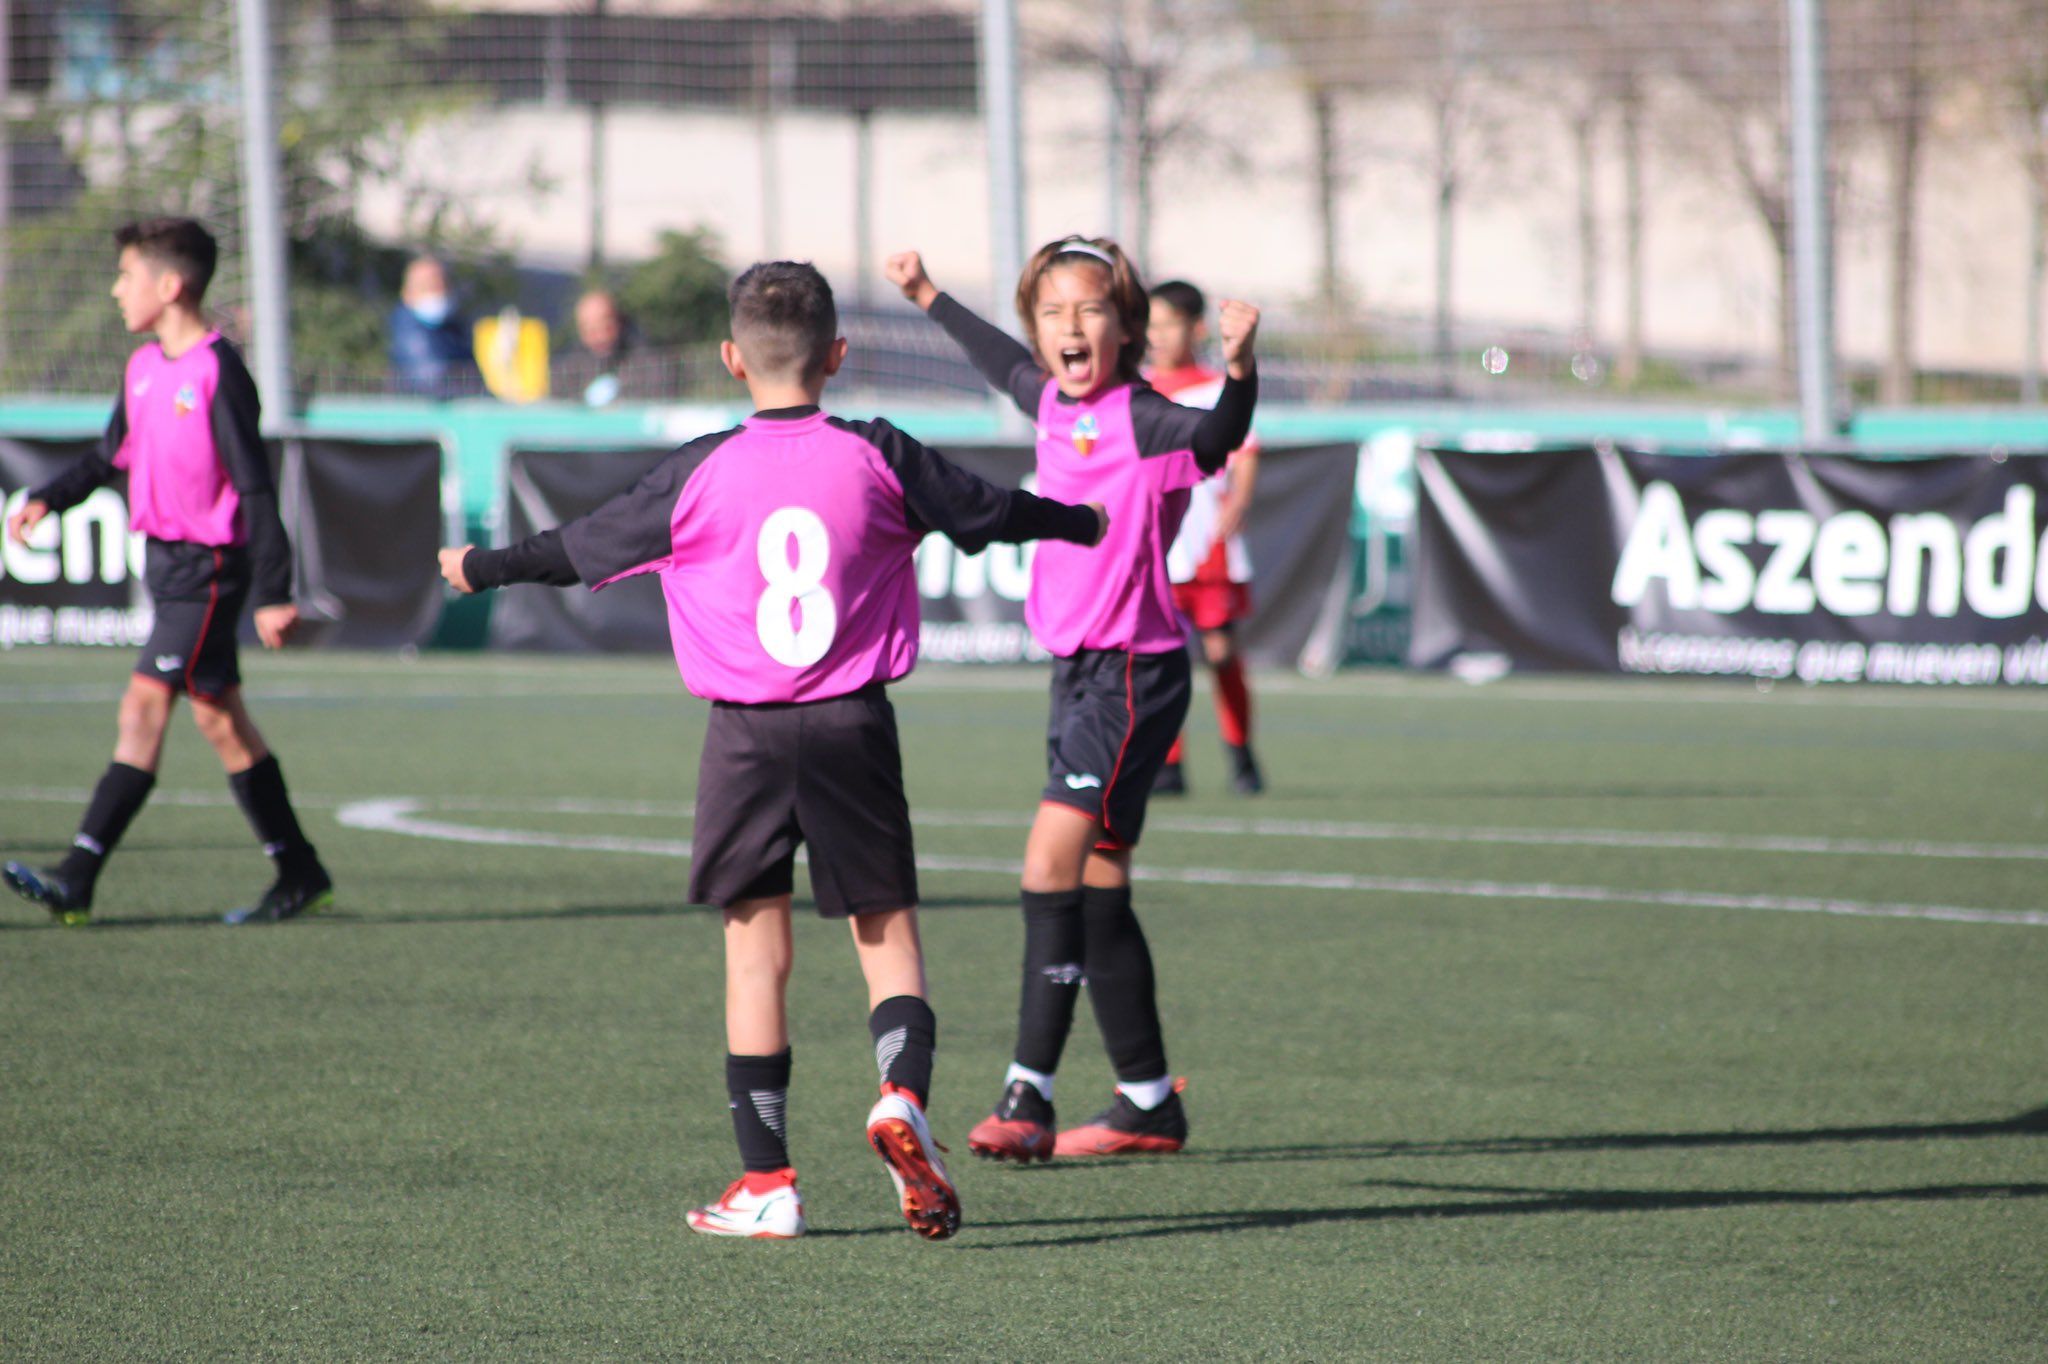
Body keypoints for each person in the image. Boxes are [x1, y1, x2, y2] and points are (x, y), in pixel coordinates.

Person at [436, 260, 1108, 1240]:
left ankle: (768, 1182)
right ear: (836, 355)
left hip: (744, 737)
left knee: (755, 954)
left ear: (729, 359)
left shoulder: (699, 467)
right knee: (886, 937)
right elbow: (995, 510)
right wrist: (1080, 520)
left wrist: (479, 566)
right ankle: (899, 1097)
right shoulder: (879, 452)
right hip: (852, 723)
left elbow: (578, 545)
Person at [883, 238, 1258, 1160]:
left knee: (1050, 869)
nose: (1069, 326)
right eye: (1052, 312)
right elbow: (997, 361)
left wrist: (1241, 370)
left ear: (1125, 327)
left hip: (1134, 670)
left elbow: (1216, 438)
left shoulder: (1144, 416)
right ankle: (1144, 1102)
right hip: (1079, 672)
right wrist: (928, 293)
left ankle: (1029, 1097)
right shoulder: (1049, 399)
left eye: (1089, 309)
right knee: (1095, 889)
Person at [3, 217, 333, 927]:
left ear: (170, 284)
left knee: (143, 706)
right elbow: (109, 456)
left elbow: (256, 489)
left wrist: (274, 591)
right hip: (166, 564)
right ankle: (300, 870)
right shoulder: (144, 368)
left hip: (211, 570)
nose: (117, 290)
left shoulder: (219, 372)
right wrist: (46, 499)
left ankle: (78, 876)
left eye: (127, 276)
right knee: (220, 720)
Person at [1147, 278, 1265, 796]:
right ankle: (1169, 764)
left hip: (1207, 545)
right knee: (1158, 656)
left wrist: (1238, 499)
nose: (1156, 335)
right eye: (1149, 325)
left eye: (1167, 324)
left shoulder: (1218, 386)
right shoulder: (1137, 389)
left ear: (1195, 328)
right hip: (1155, 546)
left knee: (1219, 652)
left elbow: (1245, 452)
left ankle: (1241, 754)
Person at [550, 288, 673, 405]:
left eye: (605, 326)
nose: (599, 336)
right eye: (590, 329)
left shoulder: (647, 363)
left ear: (618, 322)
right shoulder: (568, 369)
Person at [387, 254, 481, 398]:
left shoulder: (453, 326)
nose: (436, 292)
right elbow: (433, 382)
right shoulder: (409, 332)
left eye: (441, 286)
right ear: (407, 293)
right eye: (427, 286)